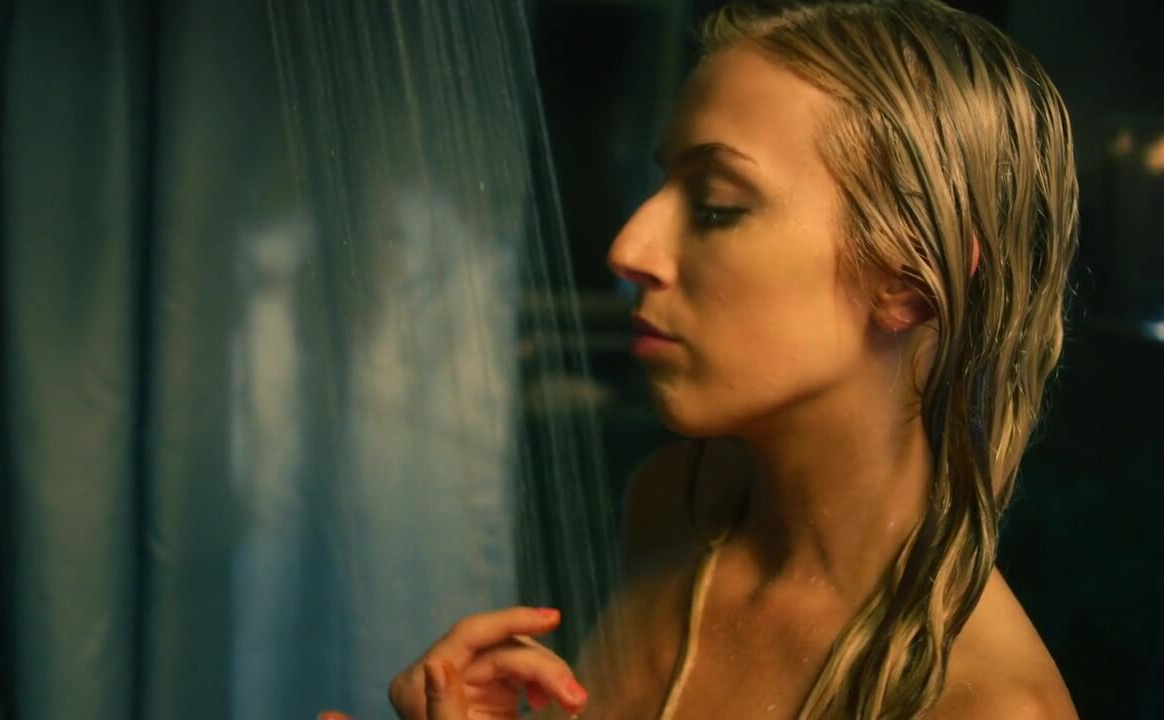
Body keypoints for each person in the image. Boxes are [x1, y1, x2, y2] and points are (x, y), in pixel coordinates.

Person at [329, 0, 1080, 716]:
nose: (628, 248)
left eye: (717, 205)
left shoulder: (989, 706)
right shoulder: (673, 507)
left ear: (908, 281)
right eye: (663, 184)